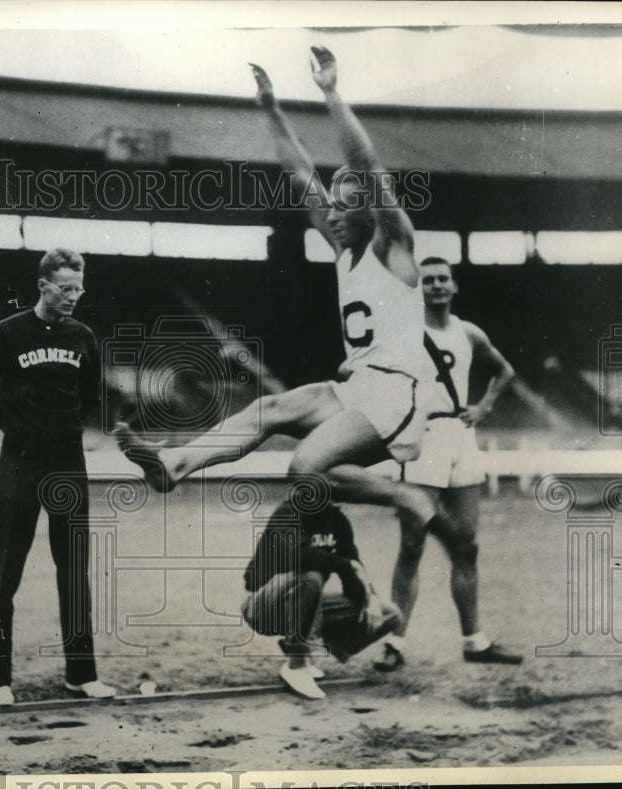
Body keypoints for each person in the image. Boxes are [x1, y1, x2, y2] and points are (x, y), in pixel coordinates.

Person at [116, 46, 443, 539]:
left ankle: (403, 495)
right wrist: (270, 109)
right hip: (354, 389)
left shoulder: (392, 246)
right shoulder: (344, 254)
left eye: (343, 206)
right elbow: (298, 172)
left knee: (304, 469)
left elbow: (366, 163)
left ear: (368, 212)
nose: (330, 214)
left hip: (396, 394)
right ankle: (174, 465)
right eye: (330, 206)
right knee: (267, 411)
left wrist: (331, 93)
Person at [0, 248, 116, 704]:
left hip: (68, 462)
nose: (74, 297)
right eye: (65, 289)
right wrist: (10, 424)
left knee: (73, 570)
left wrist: (59, 427)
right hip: (19, 461)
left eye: (79, 288)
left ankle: (81, 674)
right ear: (43, 285)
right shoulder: (6, 333)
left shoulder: (83, 336)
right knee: (5, 569)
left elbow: (89, 396)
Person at [374, 258, 523, 670]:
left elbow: (504, 369)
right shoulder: (403, 332)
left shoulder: (468, 332)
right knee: (412, 544)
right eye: (428, 280)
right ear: (418, 288)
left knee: (466, 546)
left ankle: (475, 642)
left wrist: (485, 407)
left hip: (460, 436)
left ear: (454, 286)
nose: (436, 285)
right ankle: (395, 644)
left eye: (443, 279)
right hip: (421, 441)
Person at [242, 497, 400, 699]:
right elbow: (299, 557)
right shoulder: (288, 511)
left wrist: (369, 598)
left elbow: (353, 569)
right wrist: (344, 564)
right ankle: (296, 665)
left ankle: (306, 651)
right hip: (263, 605)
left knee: (391, 614)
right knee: (310, 578)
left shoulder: (336, 519)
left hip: (303, 603)